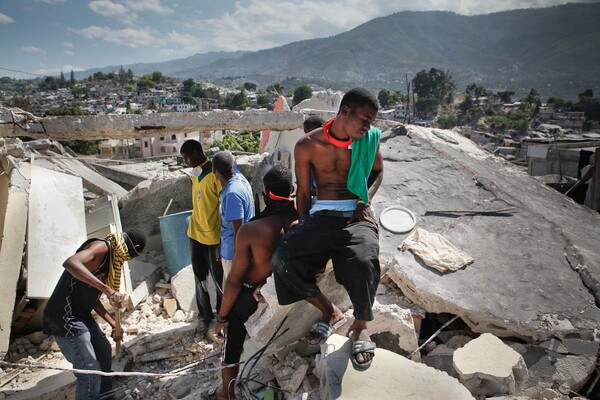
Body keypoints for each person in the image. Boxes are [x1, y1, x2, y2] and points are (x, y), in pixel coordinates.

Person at [272, 87, 383, 370]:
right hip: (322, 215)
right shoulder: (307, 145)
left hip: (356, 214)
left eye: (371, 121)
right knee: (283, 260)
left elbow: (378, 171)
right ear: (345, 112)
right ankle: (329, 312)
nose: (369, 126)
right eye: (365, 119)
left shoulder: (369, 140)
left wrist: (364, 199)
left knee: (364, 259)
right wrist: (301, 221)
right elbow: (304, 193)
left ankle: (360, 325)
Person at [211, 165, 297, 400]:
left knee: (233, 338)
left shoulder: (252, 230)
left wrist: (222, 317)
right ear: (292, 190)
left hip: (250, 293)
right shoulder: (300, 219)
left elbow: (234, 281)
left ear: (265, 192)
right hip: (280, 287)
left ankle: (226, 394)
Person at [43, 229, 146, 400]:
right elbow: (70, 263)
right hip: (64, 317)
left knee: (104, 352)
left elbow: (92, 298)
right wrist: (108, 291)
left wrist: (114, 324)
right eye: (134, 255)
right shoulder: (102, 248)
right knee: (89, 373)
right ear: (134, 248)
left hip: (81, 315)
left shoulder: (113, 262)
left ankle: (106, 397)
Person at [180, 139, 224, 334]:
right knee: (199, 277)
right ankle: (204, 315)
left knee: (218, 279)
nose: (186, 162)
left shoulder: (215, 175)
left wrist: (224, 238)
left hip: (214, 237)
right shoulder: (195, 175)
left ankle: (223, 316)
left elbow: (224, 207)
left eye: (187, 157)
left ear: (198, 153)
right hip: (195, 233)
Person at [212, 151, 255, 285]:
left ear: (215, 171)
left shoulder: (232, 194)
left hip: (234, 256)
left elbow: (239, 231)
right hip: (233, 251)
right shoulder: (240, 180)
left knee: (233, 294)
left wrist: (238, 262)